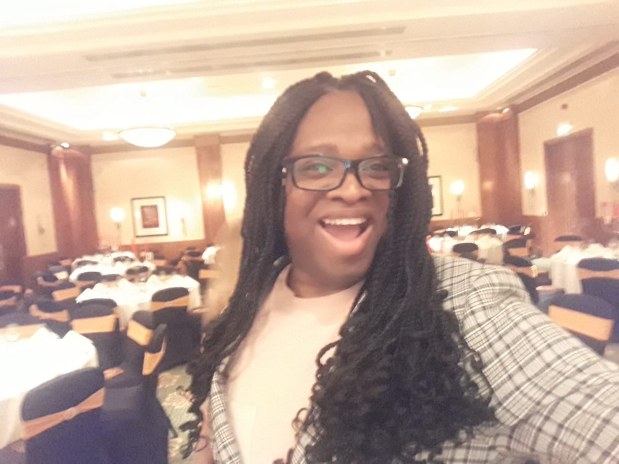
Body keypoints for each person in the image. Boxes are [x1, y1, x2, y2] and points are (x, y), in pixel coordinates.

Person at [183, 71, 619, 463]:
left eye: (376, 166)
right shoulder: (247, 307)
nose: (353, 190)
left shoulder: (463, 303)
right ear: (272, 187)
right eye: (316, 166)